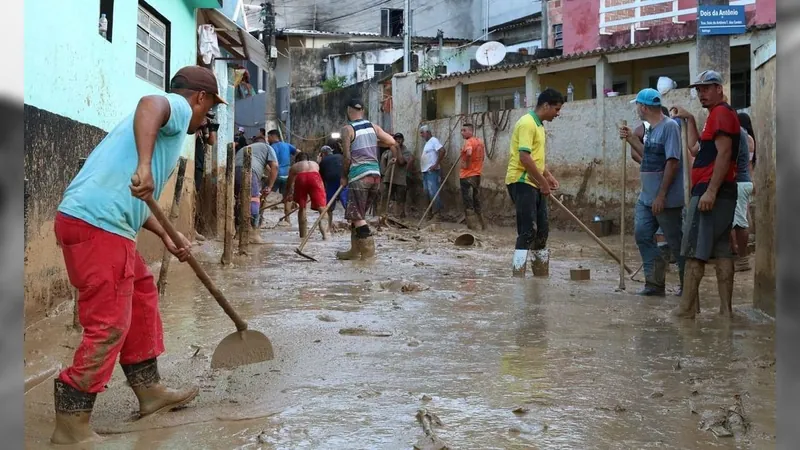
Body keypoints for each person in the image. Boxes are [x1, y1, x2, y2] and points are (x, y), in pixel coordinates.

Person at [50, 66, 226, 444]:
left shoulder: (152, 133)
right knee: (109, 323)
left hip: (104, 221)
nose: (206, 118)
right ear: (200, 97)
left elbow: (135, 201)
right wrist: (145, 166)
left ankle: (149, 391)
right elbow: (150, 102)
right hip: (98, 225)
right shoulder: (176, 109)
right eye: (208, 108)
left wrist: (169, 234)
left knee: (142, 295)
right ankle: (71, 425)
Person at [670, 70, 741, 318]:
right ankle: (726, 312)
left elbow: (723, 154)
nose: (702, 93)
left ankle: (685, 311)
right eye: (699, 90)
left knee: (693, 252)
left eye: (706, 88)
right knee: (722, 250)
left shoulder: (721, 114)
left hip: (711, 193)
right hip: (721, 192)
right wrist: (689, 119)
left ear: (719, 89)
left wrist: (710, 191)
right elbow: (695, 148)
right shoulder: (717, 116)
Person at [619, 89, 685, 297]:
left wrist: (661, 195)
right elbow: (648, 156)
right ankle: (655, 284)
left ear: (644, 107)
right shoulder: (651, 130)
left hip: (665, 199)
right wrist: (630, 138)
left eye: (637, 105)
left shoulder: (670, 127)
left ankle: (688, 287)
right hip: (646, 198)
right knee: (643, 234)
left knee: (676, 243)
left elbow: (673, 162)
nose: (637, 109)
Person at [506, 88, 563, 277]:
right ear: (545, 105)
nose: (558, 113)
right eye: (556, 109)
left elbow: (536, 159)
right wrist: (543, 183)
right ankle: (518, 276)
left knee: (542, 231)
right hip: (521, 181)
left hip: (534, 181)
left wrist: (548, 176)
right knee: (528, 230)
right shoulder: (527, 123)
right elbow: (524, 157)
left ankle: (540, 276)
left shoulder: (539, 126)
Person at [337, 98, 397, 260]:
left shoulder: (347, 129)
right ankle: (354, 251)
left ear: (349, 111)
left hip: (359, 176)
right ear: (363, 111)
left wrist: (343, 177)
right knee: (357, 216)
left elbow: (347, 157)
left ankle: (368, 253)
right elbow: (391, 141)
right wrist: (372, 141)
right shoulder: (373, 127)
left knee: (357, 217)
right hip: (375, 176)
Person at [234, 140, 278, 244]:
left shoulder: (250, 149)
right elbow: (275, 167)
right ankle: (252, 234)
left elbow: (267, 168)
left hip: (235, 170)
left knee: (240, 200)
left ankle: (238, 232)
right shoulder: (268, 148)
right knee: (253, 199)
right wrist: (270, 186)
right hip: (250, 169)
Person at [284, 152, 329, 239]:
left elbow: (289, 183)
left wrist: (287, 195)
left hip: (301, 178)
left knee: (302, 207)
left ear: (297, 160)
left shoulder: (295, 166)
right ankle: (325, 234)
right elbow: (320, 178)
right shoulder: (315, 164)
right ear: (308, 159)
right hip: (315, 178)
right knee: (322, 208)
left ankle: (303, 236)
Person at [732, 112, 755, 272]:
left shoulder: (740, 135)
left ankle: (741, 257)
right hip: (746, 179)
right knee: (743, 217)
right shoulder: (749, 138)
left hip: (740, 181)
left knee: (739, 221)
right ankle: (740, 254)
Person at [267, 129, 300, 226]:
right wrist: (295, 163)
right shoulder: (287, 145)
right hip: (287, 175)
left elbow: (267, 162)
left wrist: (269, 170)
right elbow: (299, 152)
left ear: (273, 136)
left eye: (268, 137)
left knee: (265, 193)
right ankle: (287, 219)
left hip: (275, 175)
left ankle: (259, 217)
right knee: (287, 197)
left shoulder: (270, 148)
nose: (268, 139)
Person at [458, 123, 486, 230]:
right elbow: (483, 157)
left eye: (464, 130)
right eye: (461, 130)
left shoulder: (468, 142)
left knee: (468, 201)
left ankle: (472, 226)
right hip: (477, 175)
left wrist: (467, 164)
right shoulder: (480, 142)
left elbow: (469, 153)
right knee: (476, 199)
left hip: (466, 176)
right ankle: (483, 225)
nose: (462, 133)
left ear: (470, 131)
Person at [319, 144, 348, 233]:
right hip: (343, 179)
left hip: (331, 181)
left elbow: (321, 178)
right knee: (346, 201)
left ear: (323, 154)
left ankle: (329, 226)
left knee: (329, 205)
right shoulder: (340, 156)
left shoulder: (323, 161)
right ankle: (354, 223)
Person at [419, 124, 445, 219]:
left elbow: (442, 151)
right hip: (425, 171)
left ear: (428, 132)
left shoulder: (434, 140)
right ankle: (429, 213)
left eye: (422, 133)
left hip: (432, 171)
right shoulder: (427, 143)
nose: (421, 135)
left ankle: (437, 214)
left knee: (433, 192)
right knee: (426, 192)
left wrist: (436, 164)